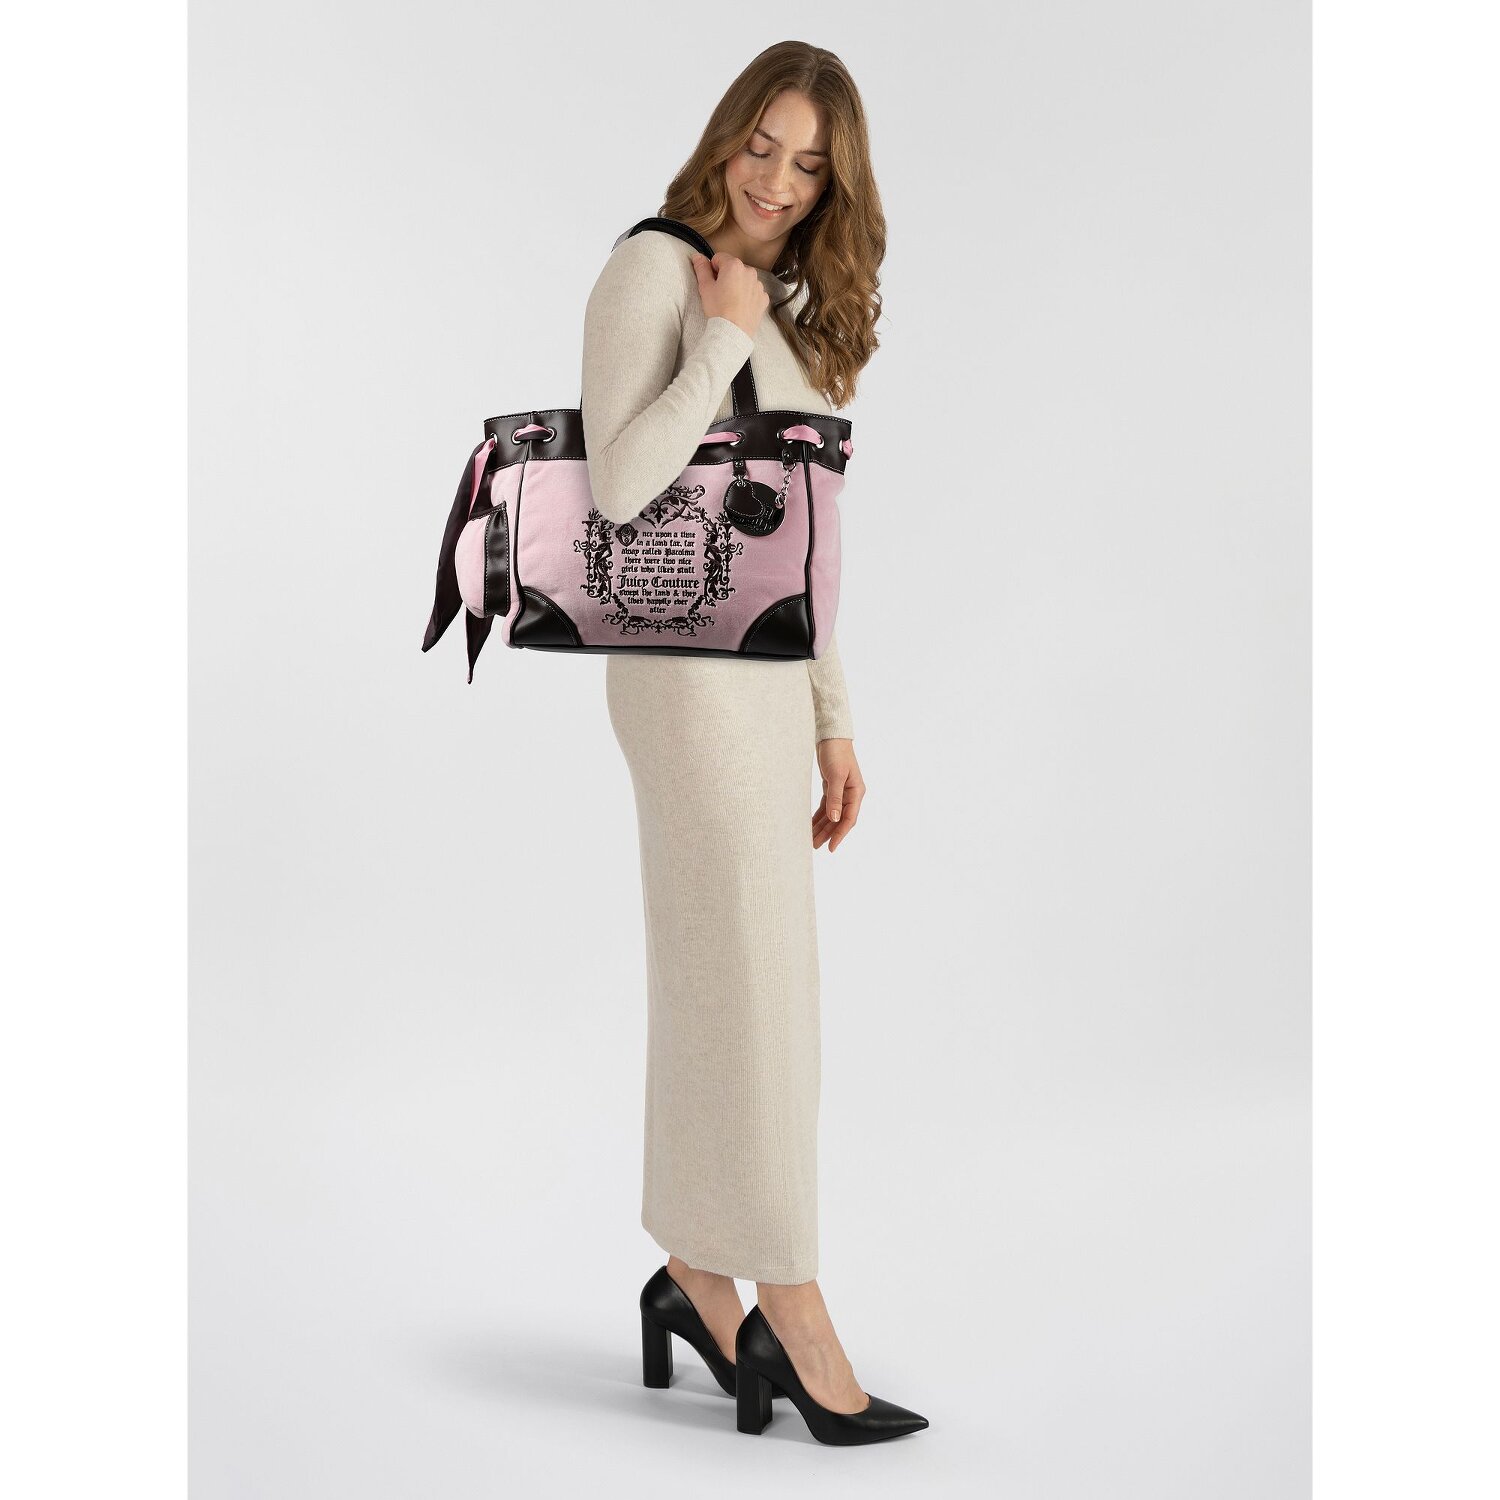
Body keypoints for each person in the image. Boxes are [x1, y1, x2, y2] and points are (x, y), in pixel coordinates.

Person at [581, 41, 928, 1446]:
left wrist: (833, 717)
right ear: (725, 136)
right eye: (762, 145)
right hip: (685, 687)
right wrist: (718, 338)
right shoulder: (654, 272)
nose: (778, 181)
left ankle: (696, 1276)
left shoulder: (780, 306)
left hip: (766, 687)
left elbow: (801, 550)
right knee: (762, 990)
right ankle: (794, 1303)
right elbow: (617, 486)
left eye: (810, 165)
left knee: (729, 987)